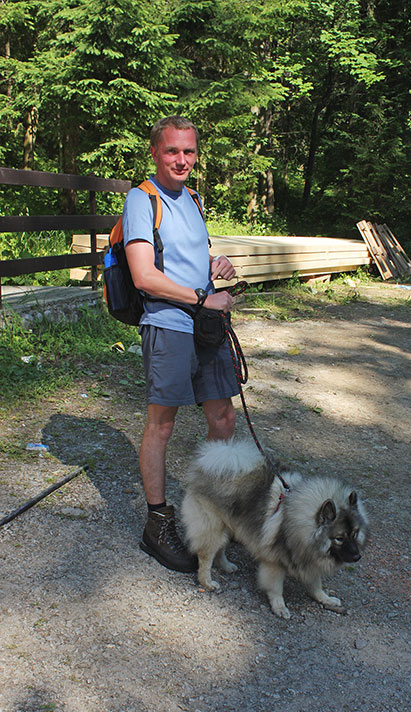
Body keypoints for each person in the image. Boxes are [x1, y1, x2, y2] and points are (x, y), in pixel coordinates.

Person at [123, 115, 238, 573]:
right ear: (156, 152)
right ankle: (157, 523)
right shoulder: (140, 199)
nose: (182, 160)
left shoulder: (193, 198)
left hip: (205, 323)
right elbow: (143, 274)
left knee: (224, 418)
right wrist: (201, 297)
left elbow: (186, 255)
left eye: (189, 151)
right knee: (162, 425)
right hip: (169, 323)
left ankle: (206, 514)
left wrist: (216, 261)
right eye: (173, 151)